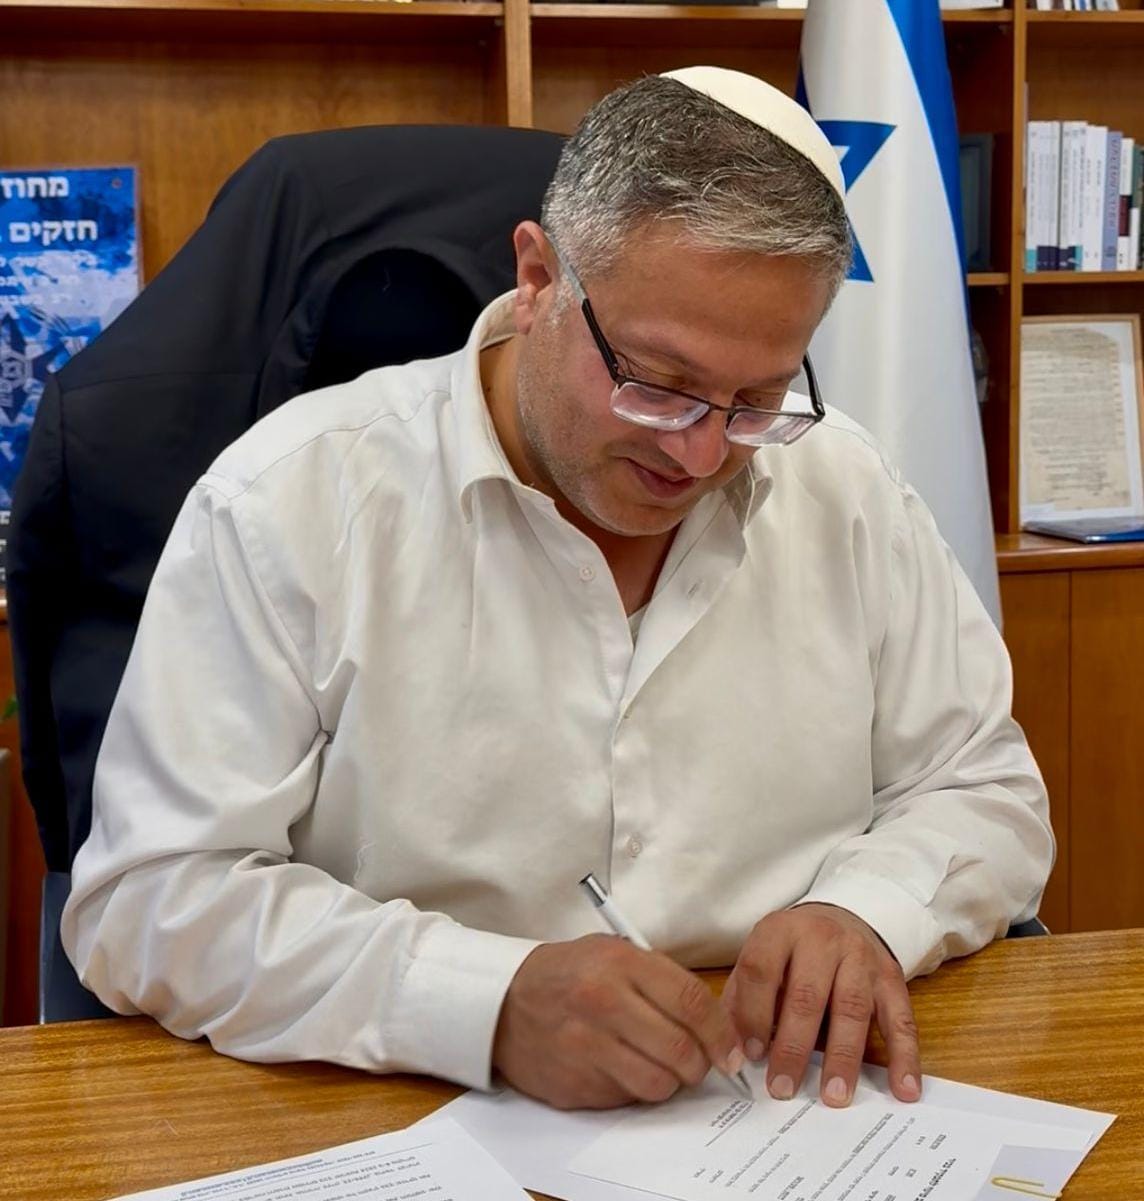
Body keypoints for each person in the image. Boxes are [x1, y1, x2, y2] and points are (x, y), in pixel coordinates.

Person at [62, 66, 1052, 1114]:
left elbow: (982, 786)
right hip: (401, 1106)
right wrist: (482, 1000)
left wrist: (869, 909)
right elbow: (150, 897)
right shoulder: (291, 503)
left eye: (756, 397)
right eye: (661, 384)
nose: (702, 452)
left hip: (783, 1100)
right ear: (538, 278)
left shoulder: (840, 482)